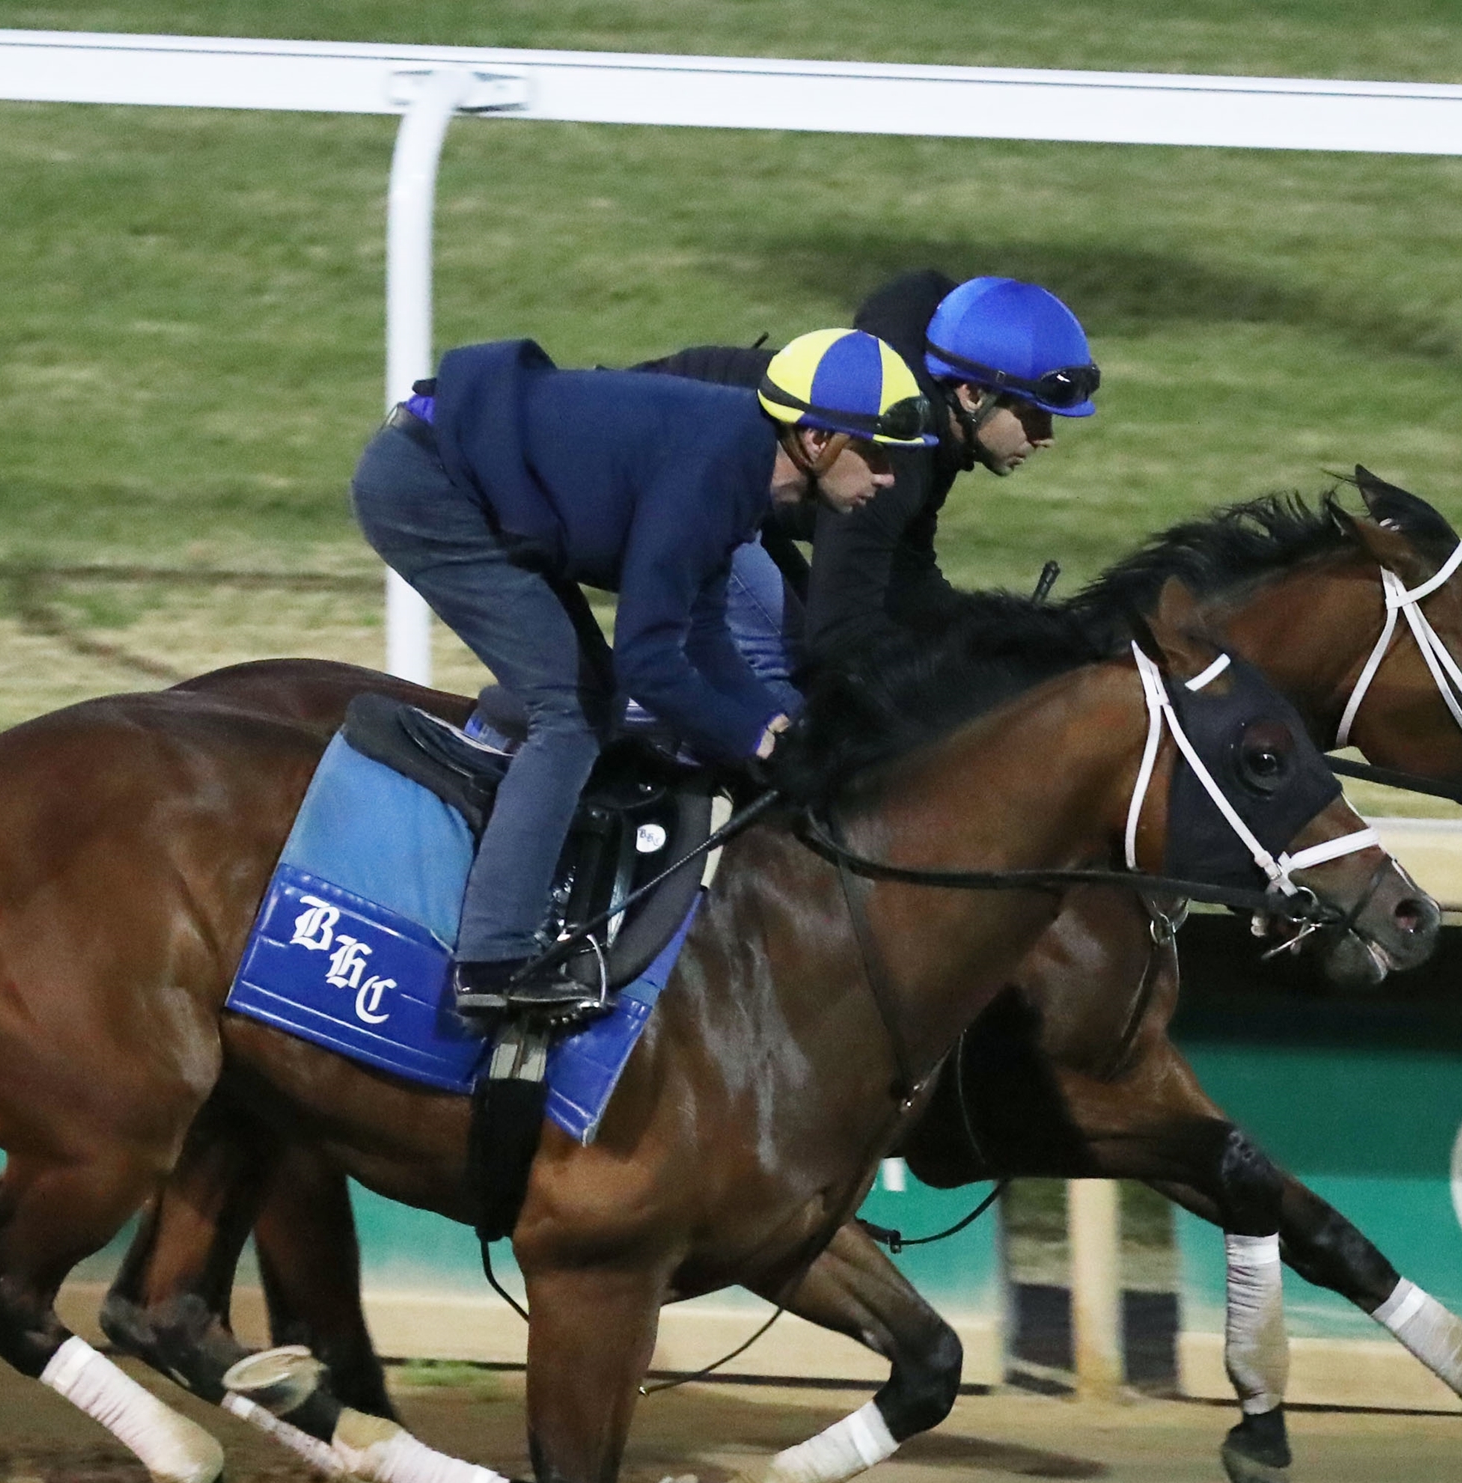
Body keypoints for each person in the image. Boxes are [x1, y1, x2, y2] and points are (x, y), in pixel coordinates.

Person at [350, 327, 935, 1024]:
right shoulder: (716, 471)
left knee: (589, 699)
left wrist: (779, 726)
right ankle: (491, 959)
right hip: (428, 487)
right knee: (570, 709)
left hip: (463, 475)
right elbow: (649, 661)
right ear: (817, 442)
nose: (888, 478)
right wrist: (754, 744)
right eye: (874, 455)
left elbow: (704, 636)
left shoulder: (743, 464)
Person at [629, 272, 1098, 703]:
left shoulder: (930, 416)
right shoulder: (898, 452)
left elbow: (903, 573)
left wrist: (1007, 637)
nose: (1045, 438)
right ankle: (620, 729)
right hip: (659, 466)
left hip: (702, 465)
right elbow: (838, 635)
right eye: (1033, 415)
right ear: (973, 394)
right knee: (785, 670)